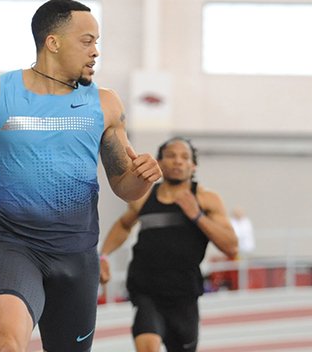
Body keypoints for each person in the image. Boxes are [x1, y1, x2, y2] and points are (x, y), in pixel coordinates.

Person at [0, 0, 162, 352]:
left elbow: (124, 187)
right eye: (87, 41)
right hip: (17, 247)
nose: (95, 51)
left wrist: (143, 176)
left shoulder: (106, 104)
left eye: (97, 42)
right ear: (53, 42)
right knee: (7, 344)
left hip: (78, 255)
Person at [99, 137, 238, 352]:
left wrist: (197, 216)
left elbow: (231, 246)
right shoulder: (144, 197)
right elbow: (124, 226)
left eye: (184, 157)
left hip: (184, 296)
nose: (178, 161)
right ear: (160, 163)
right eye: (171, 156)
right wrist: (103, 256)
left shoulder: (206, 199)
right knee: (147, 346)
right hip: (147, 291)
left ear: (193, 166)